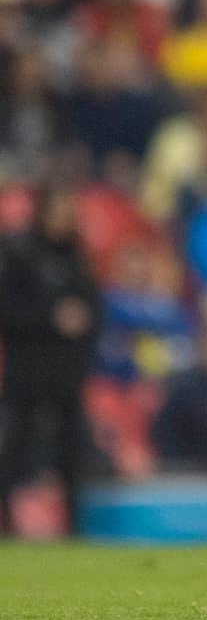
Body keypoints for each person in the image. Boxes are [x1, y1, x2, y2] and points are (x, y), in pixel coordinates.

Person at [0, 183, 103, 535]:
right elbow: (8, 310)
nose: (63, 221)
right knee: (12, 447)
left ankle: (74, 525)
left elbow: (94, 308)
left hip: (67, 375)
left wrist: (84, 318)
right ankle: (6, 520)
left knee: (71, 450)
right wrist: (52, 317)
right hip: (26, 373)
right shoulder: (17, 253)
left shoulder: (77, 256)